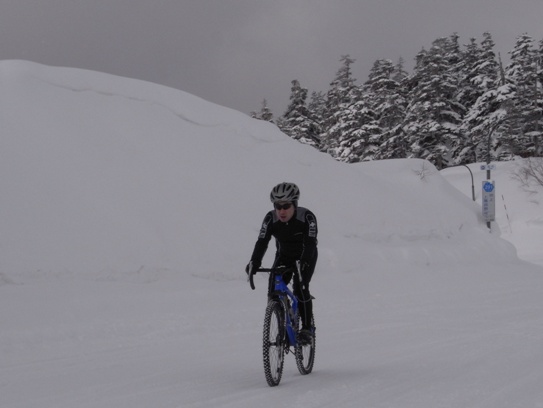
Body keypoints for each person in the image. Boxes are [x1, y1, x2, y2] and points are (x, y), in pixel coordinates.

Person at [246, 182, 318, 340]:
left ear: (295, 204)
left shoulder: (307, 217)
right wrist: (254, 261)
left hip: (306, 255)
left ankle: (306, 329)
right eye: (278, 206)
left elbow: (311, 243)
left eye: (286, 206)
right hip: (284, 255)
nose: (282, 211)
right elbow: (262, 241)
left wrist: (305, 261)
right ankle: (279, 320)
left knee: (300, 288)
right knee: (273, 290)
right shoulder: (270, 218)